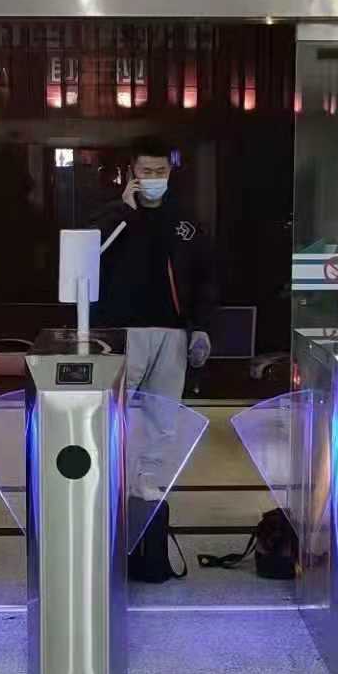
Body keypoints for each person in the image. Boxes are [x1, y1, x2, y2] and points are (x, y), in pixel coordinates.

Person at [88, 137, 219, 501]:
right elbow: (90, 255)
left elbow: (206, 277)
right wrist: (124, 212)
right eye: (146, 171)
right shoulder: (111, 215)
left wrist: (202, 327)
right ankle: (107, 475)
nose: (154, 177)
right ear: (132, 172)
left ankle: (148, 476)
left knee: (164, 412)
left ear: (170, 172)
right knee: (113, 409)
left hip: (172, 329)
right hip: (121, 330)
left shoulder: (185, 221)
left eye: (160, 171)